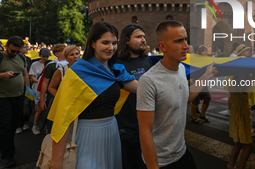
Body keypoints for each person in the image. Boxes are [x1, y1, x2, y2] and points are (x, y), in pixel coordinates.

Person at [48, 21, 138, 169]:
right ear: (93, 44)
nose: (111, 47)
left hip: (112, 132)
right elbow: (63, 119)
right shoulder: (77, 73)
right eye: (105, 42)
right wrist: (56, 162)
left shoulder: (115, 71)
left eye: (114, 43)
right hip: (86, 136)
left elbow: (141, 88)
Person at [137, 20, 217, 169]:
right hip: (160, 162)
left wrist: (206, 75)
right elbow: (145, 132)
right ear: (162, 46)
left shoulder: (180, 69)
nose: (186, 46)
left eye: (185, 39)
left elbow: (184, 98)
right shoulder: (148, 81)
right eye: (179, 41)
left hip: (182, 153)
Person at [116, 24, 152, 169]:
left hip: (147, 123)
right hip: (126, 125)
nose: (143, 40)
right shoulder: (117, 63)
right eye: (138, 37)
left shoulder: (147, 60)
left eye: (144, 36)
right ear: (127, 40)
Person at [0, 36, 30, 168]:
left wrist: (29, 92)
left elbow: (25, 75)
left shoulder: (22, 58)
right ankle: (8, 156)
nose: (15, 54)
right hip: (2, 98)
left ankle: (7, 147)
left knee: (13, 125)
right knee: (5, 126)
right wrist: (3, 75)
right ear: (6, 47)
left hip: (18, 96)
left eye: (18, 51)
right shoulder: (1, 57)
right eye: (13, 51)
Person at [227, 44, 254, 169]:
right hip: (241, 113)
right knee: (249, 146)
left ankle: (231, 165)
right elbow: (244, 86)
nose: (248, 52)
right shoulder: (239, 75)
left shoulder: (236, 74)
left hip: (237, 112)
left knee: (238, 144)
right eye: (246, 51)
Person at [28, 48, 51, 135]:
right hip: (37, 88)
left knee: (46, 109)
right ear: (40, 55)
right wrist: (41, 82)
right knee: (39, 109)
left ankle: (46, 127)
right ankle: (35, 125)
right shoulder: (34, 64)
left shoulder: (50, 64)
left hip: (45, 89)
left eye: (47, 56)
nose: (45, 58)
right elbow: (32, 77)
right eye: (43, 56)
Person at [191, 45, 212, 124]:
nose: (206, 52)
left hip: (204, 83)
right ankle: (194, 117)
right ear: (200, 52)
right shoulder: (196, 60)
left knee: (207, 98)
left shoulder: (207, 60)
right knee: (196, 100)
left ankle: (202, 114)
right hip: (196, 82)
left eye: (206, 51)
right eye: (204, 51)